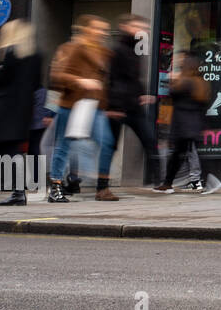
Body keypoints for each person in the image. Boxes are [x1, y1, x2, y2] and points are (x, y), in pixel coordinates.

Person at [47, 15, 111, 203]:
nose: (102, 32)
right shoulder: (72, 48)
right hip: (72, 105)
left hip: (94, 106)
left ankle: (87, 179)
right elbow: (57, 76)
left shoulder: (102, 51)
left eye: (103, 29)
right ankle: (56, 186)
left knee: (105, 141)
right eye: (98, 28)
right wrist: (81, 81)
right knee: (63, 145)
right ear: (86, 29)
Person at [0, 20, 43, 206]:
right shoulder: (36, 54)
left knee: (7, 149)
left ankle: (17, 191)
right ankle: (18, 191)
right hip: (24, 107)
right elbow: (36, 83)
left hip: (7, 105)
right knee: (13, 149)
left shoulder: (10, 52)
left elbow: (3, 80)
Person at [98, 15, 160, 195]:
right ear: (126, 27)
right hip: (118, 106)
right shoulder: (117, 50)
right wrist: (113, 107)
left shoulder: (136, 49)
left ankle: (160, 182)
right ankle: (102, 186)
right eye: (138, 26)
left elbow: (134, 78)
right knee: (111, 146)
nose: (143, 30)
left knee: (149, 140)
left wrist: (143, 94)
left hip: (134, 105)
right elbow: (112, 80)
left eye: (144, 27)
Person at [154, 54, 211, 193]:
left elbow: (171, 94)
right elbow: (204, 105)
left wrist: (171, 79)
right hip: (194, 123)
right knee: (185, 154)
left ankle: (168, 183)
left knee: (179, 155)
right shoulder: (200, 83)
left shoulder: (186, 82)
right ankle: (168, 183)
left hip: (183, 123)